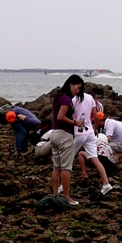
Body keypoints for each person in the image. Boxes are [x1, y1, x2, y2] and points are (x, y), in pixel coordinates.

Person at [51, 75, 86, 206]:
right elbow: (61, 117)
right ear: (71, 84)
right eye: (77, 88)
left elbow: (55, 116)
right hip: (64, 135)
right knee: (66, 168)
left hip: (54, 133)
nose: (78, 91)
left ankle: (55, 195)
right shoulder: (66, 99)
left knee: (57, 167)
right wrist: (75, 123)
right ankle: (66, 196)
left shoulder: (57, 97)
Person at [73, 91, 113, 195]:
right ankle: (106, 183)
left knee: (67, 159)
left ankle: (61, 185)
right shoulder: (90, 99)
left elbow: (72, 117)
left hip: (79, 132)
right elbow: (95, 116)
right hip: (90, 132)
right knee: (94, 158)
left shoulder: (74, 100)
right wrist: (95, 129)